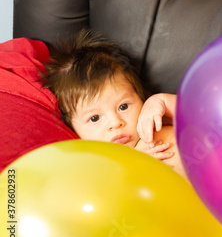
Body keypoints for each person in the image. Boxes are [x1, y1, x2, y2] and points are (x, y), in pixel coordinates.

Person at [41, 29, 186, 179]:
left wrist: (160, 101)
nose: (116, 123)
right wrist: (132, 163)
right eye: (95, 118)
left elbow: (198, 114)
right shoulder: (100, 166)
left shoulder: (153, 122)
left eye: (123, 107)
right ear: (73, 130)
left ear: (139, 96)